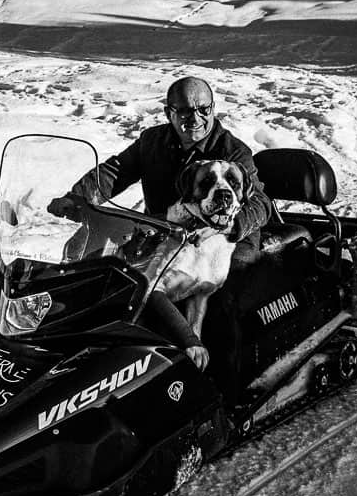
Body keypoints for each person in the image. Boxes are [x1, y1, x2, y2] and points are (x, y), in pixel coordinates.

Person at [48, 76, 271, 373]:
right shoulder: (153, 141)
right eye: (185, 111)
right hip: (165, 234)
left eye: (203, 109)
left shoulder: (233, 151)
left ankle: (228, 390)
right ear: (169, 113)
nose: (196, 118)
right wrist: (76, 198)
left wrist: (229, 227)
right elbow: (116, 170)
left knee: (225, 300)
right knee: (111, 277)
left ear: (213, 109)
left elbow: (261, 203)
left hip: (227, 238)